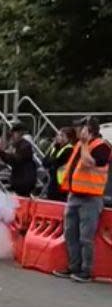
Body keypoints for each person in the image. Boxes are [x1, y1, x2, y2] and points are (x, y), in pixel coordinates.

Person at [52, 119, 110, 283]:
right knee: (70, 234)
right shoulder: (79, 145)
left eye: (80, 127)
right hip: (74, 194)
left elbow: (88, 163)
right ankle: (73, 266)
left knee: (85, 237)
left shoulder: (101, 146)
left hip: (90, 198)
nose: (77, 131)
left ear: (88, 130)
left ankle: (86, 270)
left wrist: (84, 144)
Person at [1, 123, 37, 197]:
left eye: (13, 134)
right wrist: (1, 153)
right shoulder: (17, 145)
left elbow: (16, 160)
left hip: (24, 180)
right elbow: (10, 160)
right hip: (19, 178)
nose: (12, 137)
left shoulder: (25, 145)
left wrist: (2, 153)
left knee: (22, 198)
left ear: (19, 133)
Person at [43, 127, 78, 202]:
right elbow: (45, 162)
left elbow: (55, 162)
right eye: (58, 135)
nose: (58, 137)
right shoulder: (55, 148)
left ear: (69, 138)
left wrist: (51, 160)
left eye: (62, 135)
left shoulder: (69, 149)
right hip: (53, 181)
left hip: (62, 183)